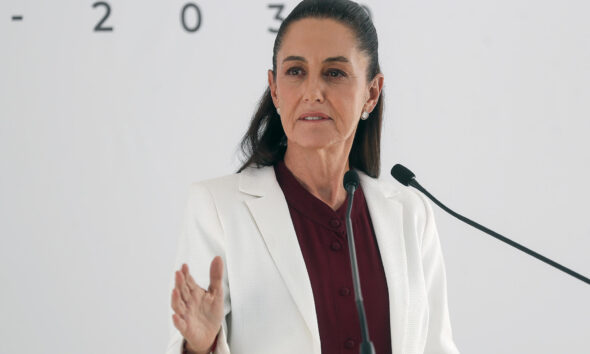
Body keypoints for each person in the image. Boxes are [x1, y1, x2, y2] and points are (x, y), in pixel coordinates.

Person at [166, 1, 459, 353]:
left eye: (334, 73)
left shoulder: (411, 213)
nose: (313, 92)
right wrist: (201, 346)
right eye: (295, 72)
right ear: (274, 89)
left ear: (371, 93)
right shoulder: (217, 208)